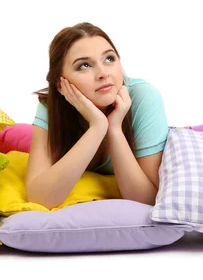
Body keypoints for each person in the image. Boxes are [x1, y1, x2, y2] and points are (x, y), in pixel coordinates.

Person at [26, 22, 170, 209]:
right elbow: (39, 198)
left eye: (109, 59)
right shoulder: (51, 105)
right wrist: (97, 127)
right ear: (61, 85)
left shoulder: (144, 97)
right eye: (84, 65)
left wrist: (115, 128)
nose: (103, 73)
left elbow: (148, 200)